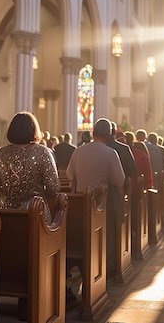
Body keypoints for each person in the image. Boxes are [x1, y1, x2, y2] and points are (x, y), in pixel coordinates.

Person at [66, 118, 125, 279]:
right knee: (104, 236)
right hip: (102, 203)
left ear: (93, 133)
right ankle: (105, 269)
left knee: (83, 236)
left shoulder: (79, 151)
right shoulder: (110, 153)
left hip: (79, 202)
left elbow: (70, 175)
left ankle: (85, 267)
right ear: (109, 135)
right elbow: (119, 180)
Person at [0, 112, 60, 223]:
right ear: (33, 130)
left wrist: (11, 194)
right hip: (35, 210)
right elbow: (53, 186)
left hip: (5, 211)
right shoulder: (42, 152)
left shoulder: (0, 153)